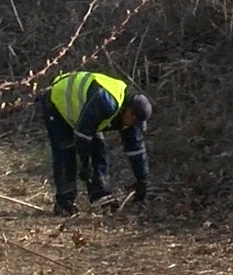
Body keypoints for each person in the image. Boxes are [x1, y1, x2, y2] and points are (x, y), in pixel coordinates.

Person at [37, 70, 152, 215]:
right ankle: (64, 204)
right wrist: (85, 164)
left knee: (98, 150)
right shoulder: (106, 101)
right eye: (134, 121)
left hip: (84, 111)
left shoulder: (130, 115)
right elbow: (82, 134)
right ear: (129, 111)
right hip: (57, 103)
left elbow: (136, 149)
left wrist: (142, 180)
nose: (133, 125)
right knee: (65, 154)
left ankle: (101, 198)